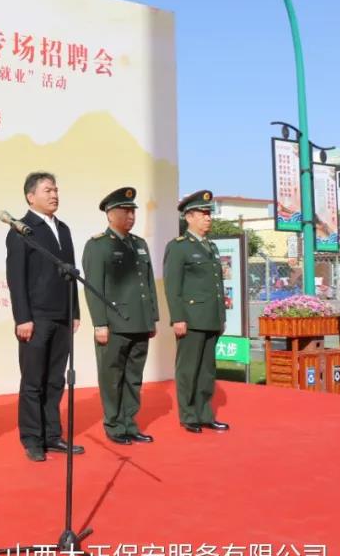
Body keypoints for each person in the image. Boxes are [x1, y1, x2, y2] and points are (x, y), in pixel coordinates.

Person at [5, 172, 84, 462]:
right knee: (33, 381)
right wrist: (22, 318)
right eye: (48, 190)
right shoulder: (21, 230)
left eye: (56, 190)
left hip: (62, 315)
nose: (54, 195)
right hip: (36, 318)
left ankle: (52, 435)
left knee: (55, 380)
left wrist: (74, 311)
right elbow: (16, 278)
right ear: (31, 196)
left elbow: (71, 272)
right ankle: (32, 438)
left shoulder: (63, 228)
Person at [81, 187, 159, 445]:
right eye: (125, 211)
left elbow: (148, 284)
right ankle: (114, 426)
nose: (131, 216)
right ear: (109, 214)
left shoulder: (139, 244)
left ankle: (130, 424)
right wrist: (99, 324)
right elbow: (94, 288)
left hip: (140, 321)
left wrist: (152, 318)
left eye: (133, 211)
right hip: (114, 324)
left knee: (133, 378)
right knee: (112, 378)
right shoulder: (98, 245)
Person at [162, 189, 229, 433]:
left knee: (207, 370)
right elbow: (173, 286)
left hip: (211, 317)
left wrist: (221, 316)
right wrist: (178, 318)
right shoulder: (179, 247)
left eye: (209, 213)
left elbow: (217, 285)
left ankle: (205, 414)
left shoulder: (211, 246)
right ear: (189, 217)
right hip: (190, 319)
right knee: (188, 369)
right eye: (202, 213)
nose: (208, 218)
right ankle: (189, 415)